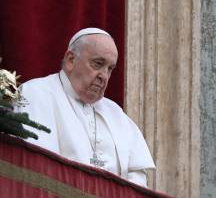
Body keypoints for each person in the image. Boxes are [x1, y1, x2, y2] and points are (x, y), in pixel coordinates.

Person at [15, 27, 155, 187]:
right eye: (98, 64)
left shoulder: (115, 113)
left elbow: (137, 174)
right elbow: (37, 168)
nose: (104, 76)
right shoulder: (35, 94)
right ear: (70, 60)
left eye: (110, 69)